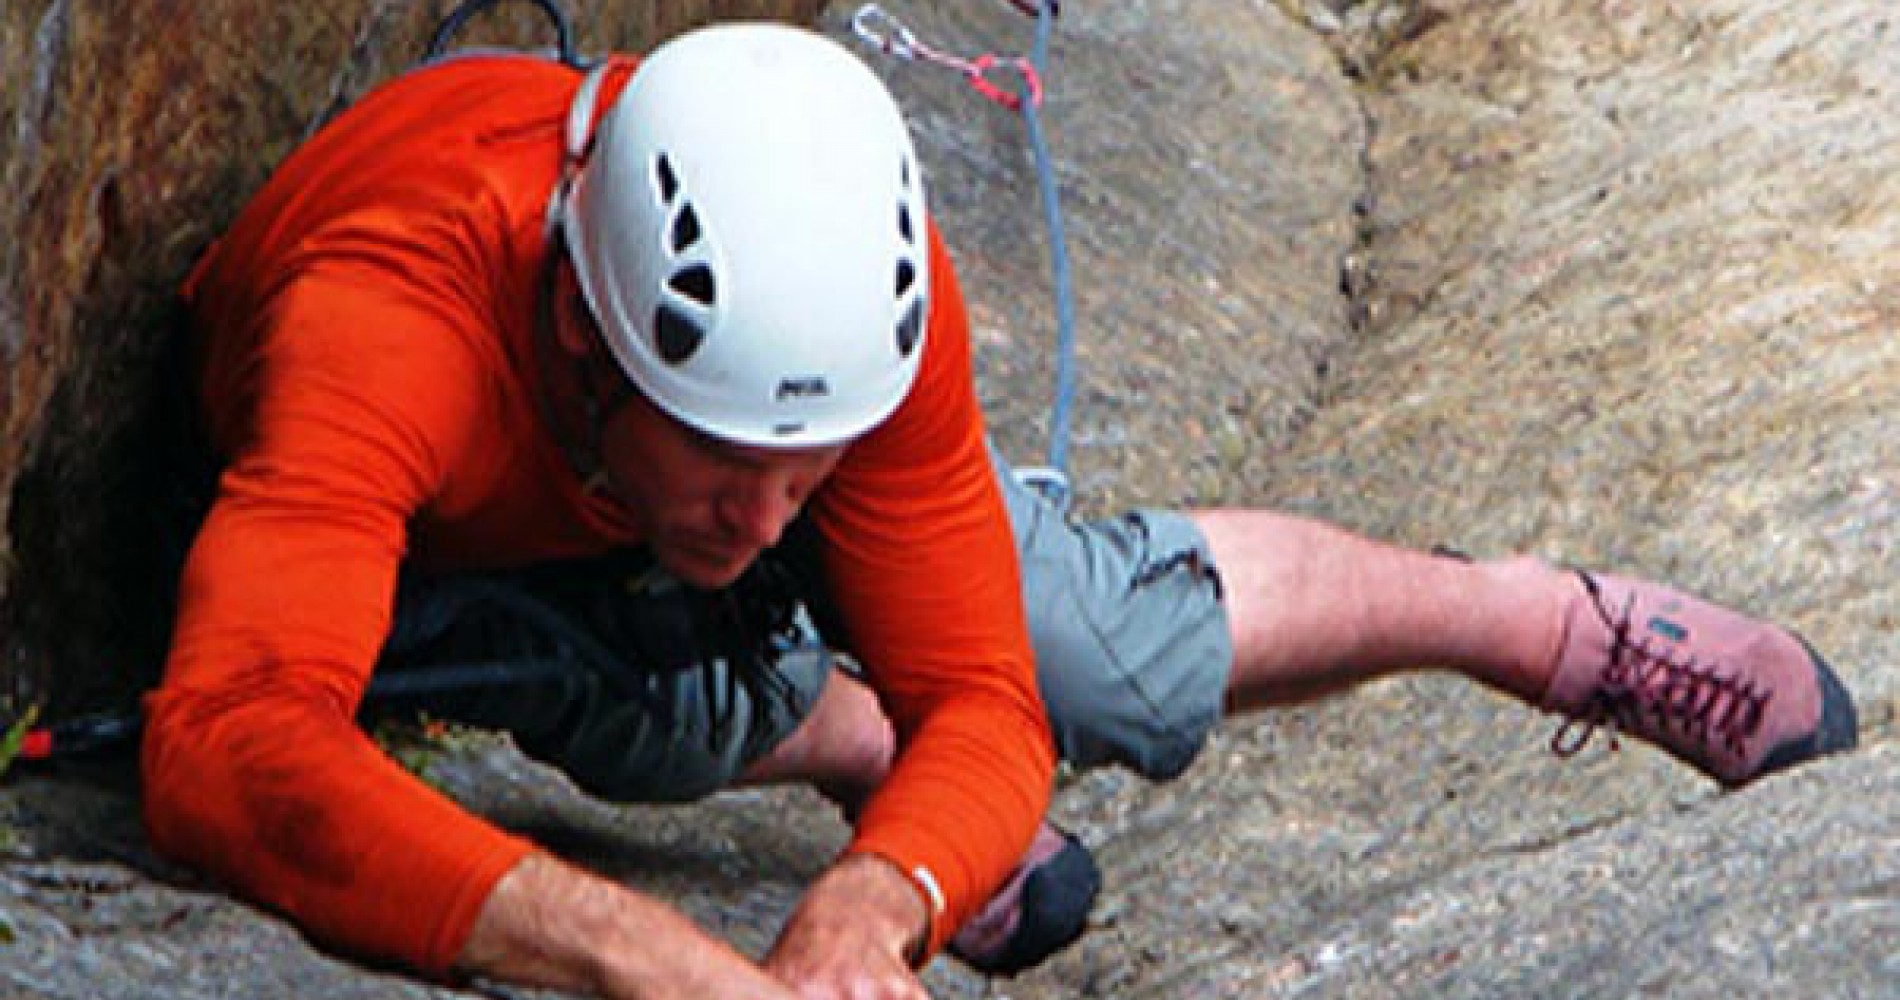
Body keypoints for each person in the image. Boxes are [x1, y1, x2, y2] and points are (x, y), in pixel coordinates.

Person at [142, 20, 1859, 1000]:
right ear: (588, 338)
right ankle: (839, 734)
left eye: (808, 467)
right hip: (466, 558)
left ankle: (1521, 618)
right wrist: (635, 952)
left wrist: (876, 901)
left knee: (1082, 643)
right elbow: (227, 739)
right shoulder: (389, 333)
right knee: (646, 712)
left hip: (607, 505)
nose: (770, 519)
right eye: (727, 460)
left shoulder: (857, 310)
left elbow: (989, 702)